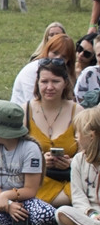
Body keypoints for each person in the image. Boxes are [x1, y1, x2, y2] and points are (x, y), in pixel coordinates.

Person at [24, 57, 80, 207]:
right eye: (44, 82)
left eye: (55, 81)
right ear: (37, 83)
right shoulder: (25, 111)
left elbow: (89, 156)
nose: (49, 87)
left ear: (65, 83)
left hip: (69, 181)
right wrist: (40, 161)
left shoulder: (77, 112)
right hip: (34, 180)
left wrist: (71, 163)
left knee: (76, 195)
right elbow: (15, 154)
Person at [56, 107, 100, 225]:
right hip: (89, 216)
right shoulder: (78, 160)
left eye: (78, 133)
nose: (76, 137)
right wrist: (92, 214)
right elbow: (78, 196)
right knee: (62, 213)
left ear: (91, 136)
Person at [11, 34, 75, 107]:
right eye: (55, 53)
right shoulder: (33, 70)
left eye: (63, 57)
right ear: (47, 51)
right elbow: (33, 104)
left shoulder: (65, 72)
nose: (57, 58)